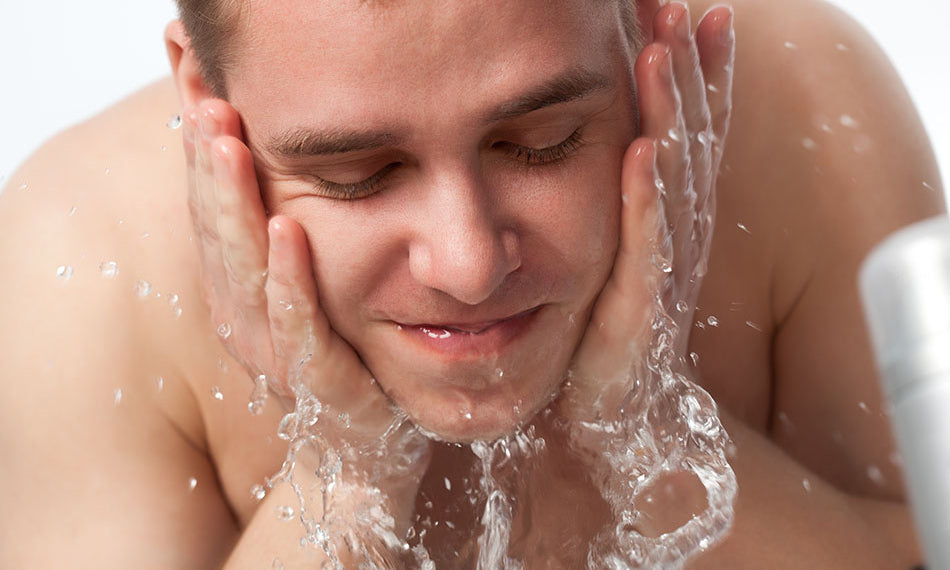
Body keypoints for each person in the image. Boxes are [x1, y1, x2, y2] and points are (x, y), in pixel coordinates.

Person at [0, 0, 943, 567]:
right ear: (205, 102)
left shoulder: (804, 126)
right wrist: (346, 480)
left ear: (645, 25)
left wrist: (631, 437)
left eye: (541, 144)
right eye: (356, 175)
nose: (468, 264)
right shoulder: (82, 264)